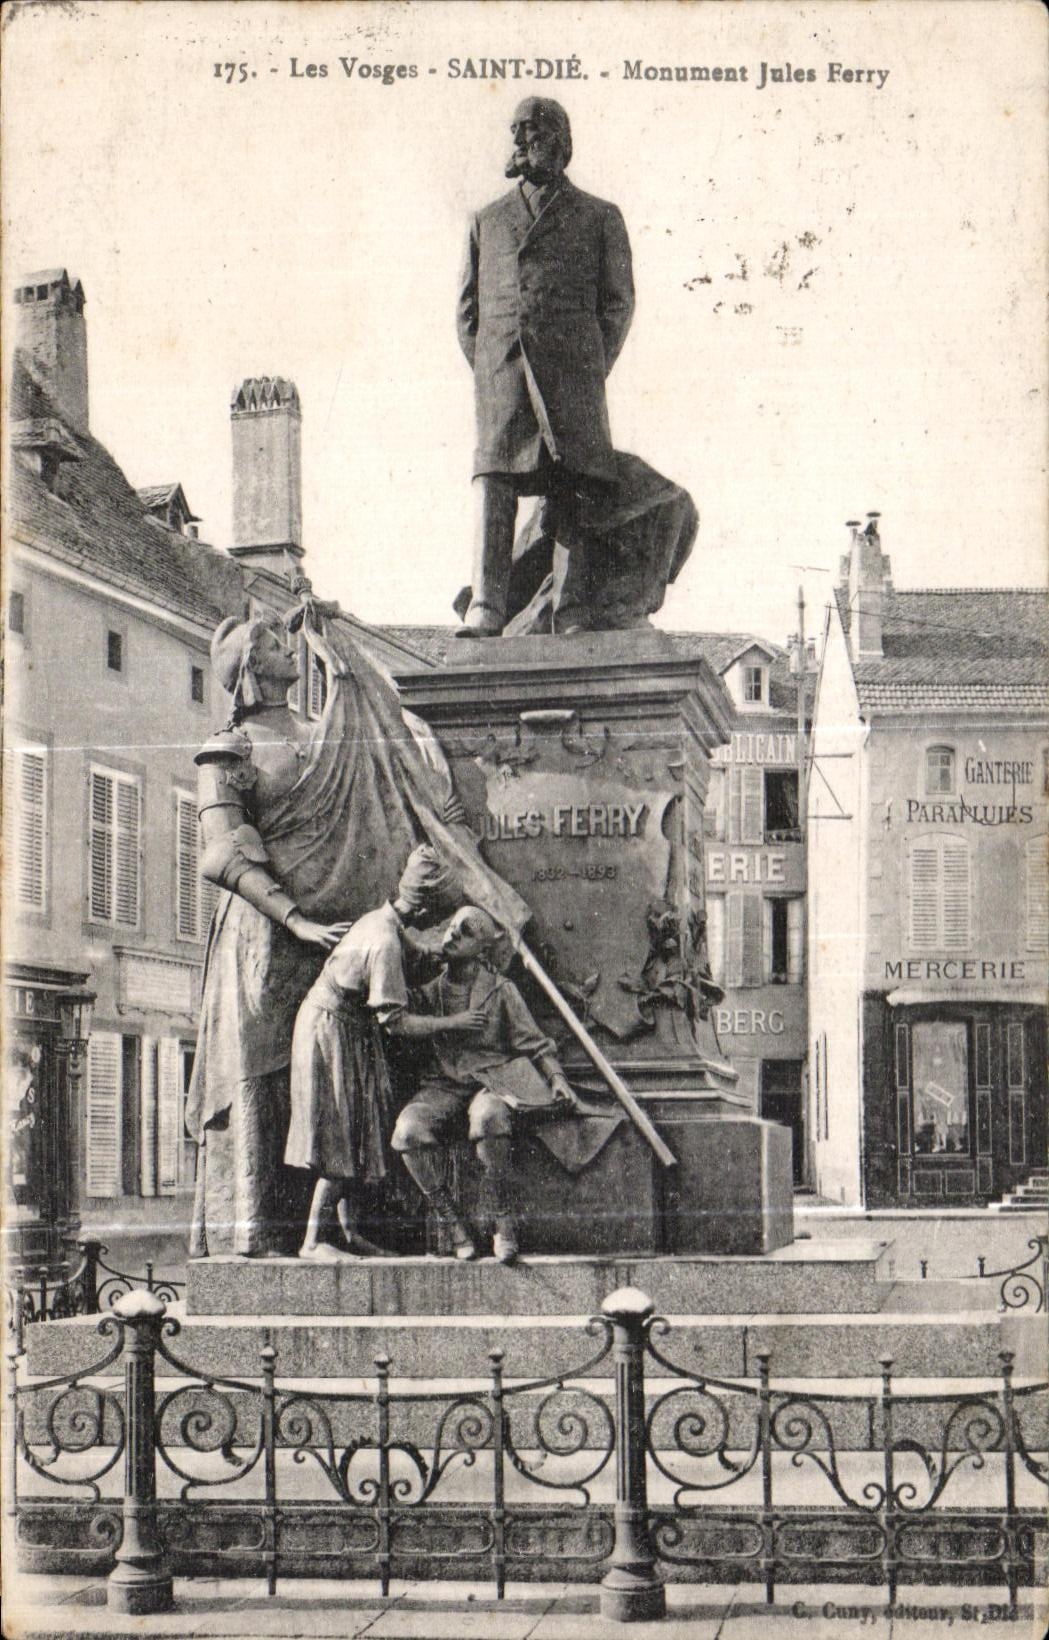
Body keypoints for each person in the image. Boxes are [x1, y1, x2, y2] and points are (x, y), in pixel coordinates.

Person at [455, 97, 635, 638]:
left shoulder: (600, 217)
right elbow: (468, 313)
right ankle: (486, 605)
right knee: (494, 482)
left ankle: (572, 605)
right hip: (504, 375)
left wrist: (585, 366)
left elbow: (618, 304)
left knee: (574, 483)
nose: (520, 145)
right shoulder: (486, 221)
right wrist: (492, 366)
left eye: (531, 134)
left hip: (574, 377)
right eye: (516, 134)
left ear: (559, 141)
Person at [285, 848, 484, 1261]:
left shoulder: (385, 919)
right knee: (339, 1136)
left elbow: (415, 946)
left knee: (356, 1133)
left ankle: (349, 1233)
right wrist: (455, 1023)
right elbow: (397, 1022)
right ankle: (313, 1241)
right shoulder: (384, 941)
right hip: (331, 1031)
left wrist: (436, 951)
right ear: (425, 906)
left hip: (345, 1027)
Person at [391, 905, 578, 1263]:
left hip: (490, 1081)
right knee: (408, 1130)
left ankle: (502, 1218)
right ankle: (451, 1221)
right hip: (443, 1086)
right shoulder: (429, 993)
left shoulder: (501, 990)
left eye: (467, 931)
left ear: (483, 948)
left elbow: (535, 1043)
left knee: (490, 1117)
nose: (454, 934)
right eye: (452, 927)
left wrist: (557, 1078)